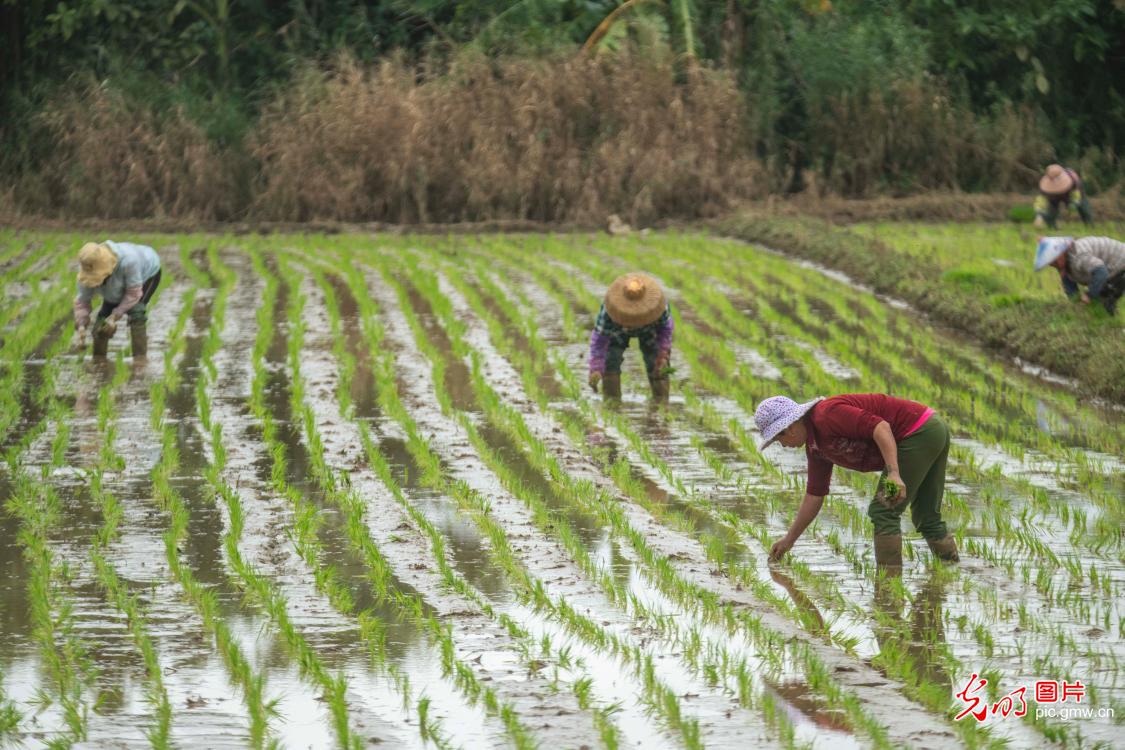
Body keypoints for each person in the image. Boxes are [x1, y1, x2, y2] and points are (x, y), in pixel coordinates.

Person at [754, 393, 958, 568]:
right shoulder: (815, 446)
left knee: (885, 510)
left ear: (788, 428)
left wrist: (894, 473)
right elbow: (814, 496)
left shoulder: (827, 415)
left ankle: (888, 586)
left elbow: (881, 427)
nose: (781, 445)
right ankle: (951, 572)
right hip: (931, 428)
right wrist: (789, 540)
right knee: (926, 515)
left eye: (778, 439)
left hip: (918, 433)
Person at [588, 272, 674, 402]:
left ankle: (661, 404)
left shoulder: (658, 306)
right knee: (610, 360)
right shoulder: (610, 309)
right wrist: (596, 367)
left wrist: (663, 354)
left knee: (657, 365)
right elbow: (600, 340)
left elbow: (665, 331)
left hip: (649, 330)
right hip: (618, 331)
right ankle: (612, 405)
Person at [73, 241, 162, 357]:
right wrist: (81, 326)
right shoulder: (87, 265)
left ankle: (140, 360)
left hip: (147, 274)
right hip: (118, 281)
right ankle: (99, 360)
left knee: (137, 313)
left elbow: (133, 293)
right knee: (101, 324)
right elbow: (82, 301)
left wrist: (114, 316)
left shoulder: (129, 262)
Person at [1035, 236, 1125, 315]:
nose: (1051, 264)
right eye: (1050, 263)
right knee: (1098, 294)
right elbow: (1068, 281)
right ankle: (1101, 317)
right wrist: (1075, 302)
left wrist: (1089, 295)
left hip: (1121, 262)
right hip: (1110, 266)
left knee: (1105, 295)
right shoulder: (1066, 260)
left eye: (1053, 261)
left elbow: (1101, 272)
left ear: (1061, 254)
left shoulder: (1079, 257)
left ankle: (1109, 321)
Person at [1034, 164, 1093, 229]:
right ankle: (1052, 227)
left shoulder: (1073, 179)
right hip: (1053, 197)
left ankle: (1089, 224)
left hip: (1069, 194)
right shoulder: (1044, 186)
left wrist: (1073, 205)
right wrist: (1039, 216)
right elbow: (1041, 200)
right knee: (1051, 211)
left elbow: (1076, 195)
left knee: (1084, 207)